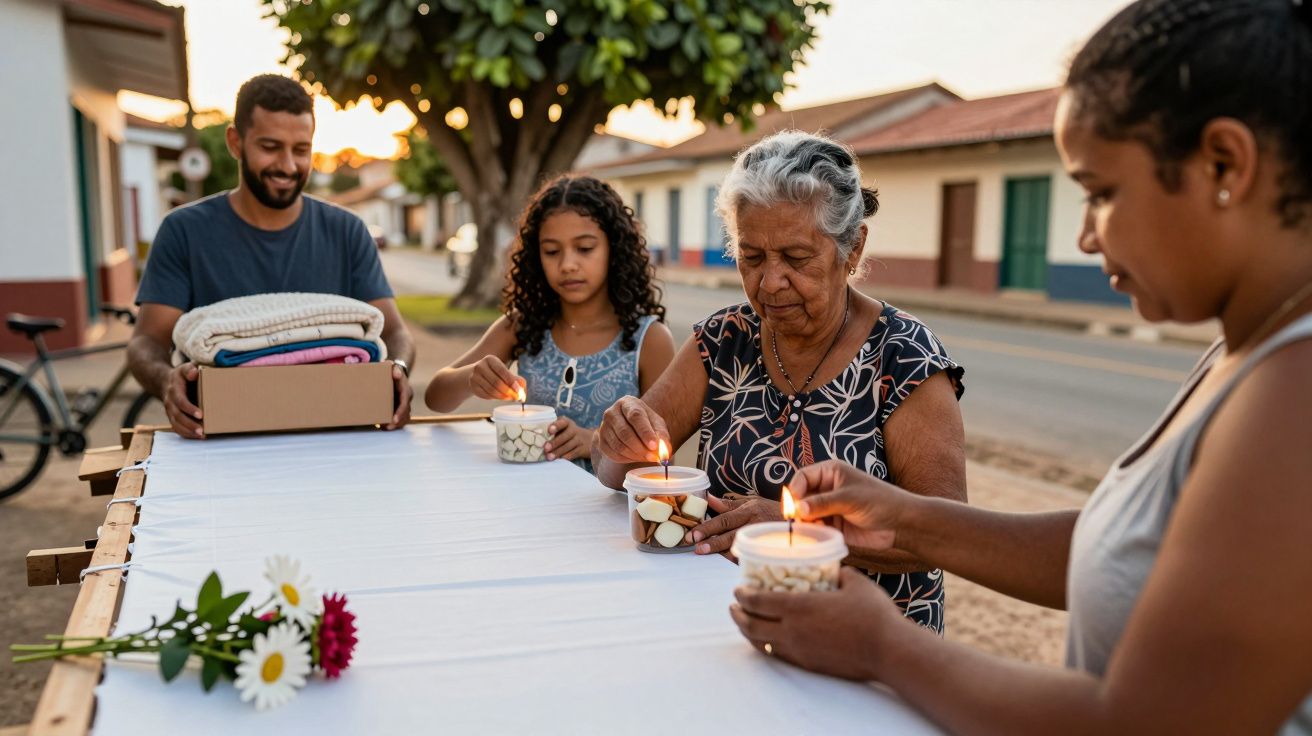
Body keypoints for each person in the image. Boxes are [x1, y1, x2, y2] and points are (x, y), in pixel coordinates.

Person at [730, 0, 1312, 732]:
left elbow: (1148, 721)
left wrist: (882, 644)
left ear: (1225, 163)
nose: (1085, 234)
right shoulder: (1252, 349)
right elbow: (1126, 548)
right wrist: (904, 515)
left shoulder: (1296, 394)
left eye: (1101, 193)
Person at [594, 131, 967, 632]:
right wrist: (620, 437)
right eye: (751, 258)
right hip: (721, 624)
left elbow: (948, 534)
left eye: (795, 258)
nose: (769, 282)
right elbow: (612, 470)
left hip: (868, 644)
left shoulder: (904, 358)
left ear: (852, 249)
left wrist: (802, 530)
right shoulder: (723, 340)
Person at [129, 74, 415, 439]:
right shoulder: (184, 231)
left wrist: (398, 370)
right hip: (221, 440)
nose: (288, 165)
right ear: (235, 142)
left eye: (301, 149)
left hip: (335, 436)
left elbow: (393, 332)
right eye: (270, 146)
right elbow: (147, 341)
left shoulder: (347, 232)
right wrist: (167, 379)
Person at [424, 175, 674, 472]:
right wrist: (471, 378)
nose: (568, 264)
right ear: (535, 256)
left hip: (606, 510)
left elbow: (665, 449)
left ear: (615, 249)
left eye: (584, 248)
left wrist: (596, 441)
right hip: (529, 501)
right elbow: (435, 397)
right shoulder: (522, 326)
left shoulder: (650, 340)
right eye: (552, 251)